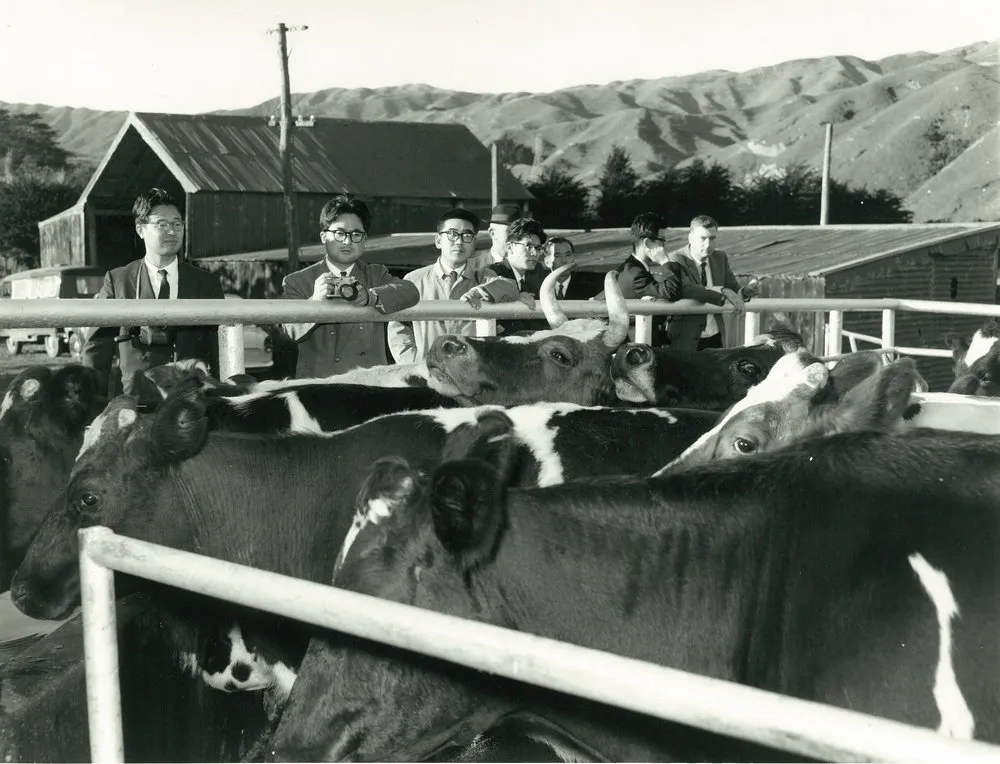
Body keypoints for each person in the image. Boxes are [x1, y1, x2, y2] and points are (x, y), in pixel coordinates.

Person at [82, 187, 225, 397]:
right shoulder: (118, 281)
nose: (172, 231)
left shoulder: (207, 284)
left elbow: (219, 353)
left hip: (191, 404)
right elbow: (96, 350)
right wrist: (93, 404)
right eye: (162, 224)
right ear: (140, 229)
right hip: (137, 403)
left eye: (178, 224)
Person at [280, 195, 419, 377]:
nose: (347, 241)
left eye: (356, 234)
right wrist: (314, 303)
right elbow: (287, 333)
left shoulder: (376, 274)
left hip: (367, 385)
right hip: (319, 389)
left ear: (364, 239)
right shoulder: (297, 281)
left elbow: (410, 292)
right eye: (339, 233)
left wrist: (371, 296)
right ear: (324, 236)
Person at [387, 208, 518, 364]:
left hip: (471, 371)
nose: (459, 241)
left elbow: (510, 287)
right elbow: (397, 326)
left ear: (474, 242)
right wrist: (413, 363)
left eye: (467, 235)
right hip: (427, 373)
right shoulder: (414, 279)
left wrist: (480, 291)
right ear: (438, 240)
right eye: (452, 234)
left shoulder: (483, 277)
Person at [666, 214, 758, 351]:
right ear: (690, 238)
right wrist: (721, 290)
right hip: (685, 336)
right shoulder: (675, 259)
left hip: (715, 335)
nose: (708, 244)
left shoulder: (720, 257)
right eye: (703, 238)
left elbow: (733, 289)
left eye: (712, 238)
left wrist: (744, 293)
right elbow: (688, 290)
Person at [468, 217, 550, 335]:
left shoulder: (538, 272)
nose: (534, 253)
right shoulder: (491, 272)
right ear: (510, 247)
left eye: (538, 248)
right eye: (529, 246)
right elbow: (491, 289)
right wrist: (516, 296)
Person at [611, 212, 681, 347]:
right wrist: (665, 261)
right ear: (648, 243)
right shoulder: (635, 274)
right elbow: (673, 291)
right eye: (662, 240)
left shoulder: (632, 268)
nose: (665, 246)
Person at [467, 204, 521, 272]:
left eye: (519, 233)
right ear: (492, 233)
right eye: (509, 231)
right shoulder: (472, 267)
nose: (516, 238)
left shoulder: (529, 268)